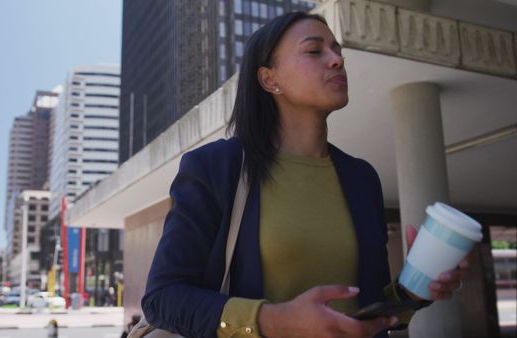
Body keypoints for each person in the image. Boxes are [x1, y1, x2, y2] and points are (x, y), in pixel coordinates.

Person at [141, 11, 467, 338]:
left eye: (338, 51)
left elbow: (367, 309)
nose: (337, 60)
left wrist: (412, 291)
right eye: (315, 51)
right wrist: (272, 320)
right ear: (270, 79)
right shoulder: (216, 167)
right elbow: (162, 298)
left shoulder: (362, 178)